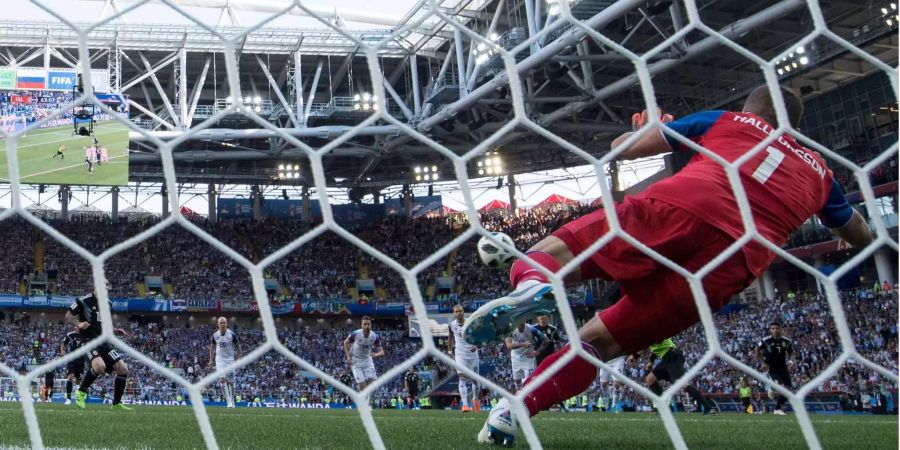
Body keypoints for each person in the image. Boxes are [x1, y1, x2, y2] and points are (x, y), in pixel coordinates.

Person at [466, 85, 874, 444]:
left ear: (751, 111)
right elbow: (859, 233)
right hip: (729, 265)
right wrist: (842, 226)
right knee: (597, 346)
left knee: (552, 252)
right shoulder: (819, 173)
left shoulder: (728, 121)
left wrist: (648, 129)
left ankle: (534, 286)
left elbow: (625, 148)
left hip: (686, 205)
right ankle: (511, 412)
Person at [66, 285, 132, 410]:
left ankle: (117, 404)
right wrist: (79, 323)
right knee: (99, 366)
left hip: (103, 341)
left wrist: (115, 330)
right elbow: (68, 316)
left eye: (107, 287)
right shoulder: (83, 301)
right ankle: (81, 392)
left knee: (123, 369)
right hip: (88, 341)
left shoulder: (108, 304)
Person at [635, 339, 717, 414]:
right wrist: (651, 362)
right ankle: (664, 408)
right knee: (650, 379)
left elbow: (643, 349)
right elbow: (654, 349)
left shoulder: (653, 331)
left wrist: (634, 356)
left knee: (682, 384)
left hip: (673, 357)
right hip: (666, 358)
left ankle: (708, 408)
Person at [448, 304, 480, 412]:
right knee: (462, 378)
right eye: (456, 311)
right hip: (460, 354)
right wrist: (449, 350)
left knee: (475, 381)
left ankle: (475, 400)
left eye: (460, 311)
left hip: (472, 354)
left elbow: (478, 336)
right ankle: (465, 405)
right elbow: (450, 337)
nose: (458, 313)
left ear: (463, 311)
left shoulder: (470, 323)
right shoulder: (452, 325)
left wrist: (476, 345)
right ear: (454, 313)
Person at [757, 321, 793, 415]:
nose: (775, 330)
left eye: (777, 328)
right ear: (770, 330)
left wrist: (790, 361)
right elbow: (756, 350)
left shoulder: (786, 341)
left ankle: (777, 409)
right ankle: (772, 388)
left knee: (788, 389)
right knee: (779, 384)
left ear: (780, 329)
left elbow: (791, 353)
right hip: (771, 366)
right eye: (773, 328)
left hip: (782, 366)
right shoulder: (765, 340)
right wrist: (762, 363)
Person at [343, 316, 385, 390]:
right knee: (362, 386)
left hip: (367, 360)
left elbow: (382, 352)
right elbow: (345, 342)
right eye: (365, 324)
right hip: (356, 361)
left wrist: (375, 354)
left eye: (368, 324)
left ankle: (363, 394)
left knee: (372, 385)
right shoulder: (355, 334)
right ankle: (361, 392)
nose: (367, 326)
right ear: (361, 325)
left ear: (371, 325)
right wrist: (348, 356)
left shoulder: (374, 337)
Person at [208, 317, 242, 408]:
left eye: (224, 323)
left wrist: (238, 358)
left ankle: (232, 400)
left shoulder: (232, 335)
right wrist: (211, 360)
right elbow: (212, 347)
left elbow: (238, 347)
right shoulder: (215, 335)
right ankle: (228, 402)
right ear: (218, 325)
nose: (223, 324)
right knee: (222, 380)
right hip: (219, 360)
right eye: (221, 323)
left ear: (227, 324)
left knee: (231, 383)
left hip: (230, 360)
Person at [506, 323, 548, 390]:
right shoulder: (510, 329)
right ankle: (520, 396)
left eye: (522, 325)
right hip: (515, 358)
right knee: (517, 380)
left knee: (531, 380)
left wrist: (537, 352)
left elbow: (546, 340)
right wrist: (523, 344)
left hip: (528, 358)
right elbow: (508, 345)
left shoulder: (531, 329)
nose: (521, 327)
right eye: (519, 325)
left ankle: (531, 395)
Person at [60, 328, 88, 405]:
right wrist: (62, 351)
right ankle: (68, 399)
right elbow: (63, 343)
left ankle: (77, 393)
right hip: (72, 358)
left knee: (78, 381)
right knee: (70, 376)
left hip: (81, 360)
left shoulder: (86, 335)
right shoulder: (70, 335)